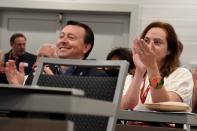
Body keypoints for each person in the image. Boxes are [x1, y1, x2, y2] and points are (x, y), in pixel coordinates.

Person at [120, 21, 193, 111]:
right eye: (146, 41)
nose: (149, 47)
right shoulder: (131, 77)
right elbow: (126, 107)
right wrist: (139, 71)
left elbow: (164, 106)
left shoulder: (181, 74)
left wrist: (152, 67)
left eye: (157, 42)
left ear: (169, 50)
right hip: (129, 125)